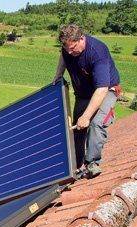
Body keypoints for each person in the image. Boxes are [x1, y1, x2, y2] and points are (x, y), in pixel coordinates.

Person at [52, 24, 121, 179]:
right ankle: (75, 164)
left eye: (73, 48)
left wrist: (87, 116)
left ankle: (92, 163)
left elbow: (102, 89)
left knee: (95, 123)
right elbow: (64, 56)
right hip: (83, 93)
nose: (70, 52)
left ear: (82, 38)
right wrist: (58, 74)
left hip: (105, 90)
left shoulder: (97, 52)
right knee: (77, 129)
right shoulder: (68, 48)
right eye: (67, 48)